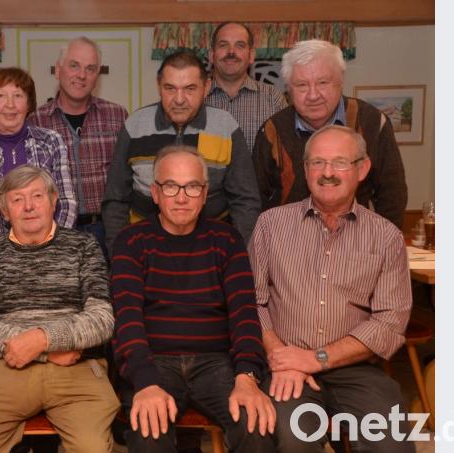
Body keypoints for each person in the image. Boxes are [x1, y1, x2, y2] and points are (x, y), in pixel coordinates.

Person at [249, 125, 414, 452]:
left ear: (362, 169)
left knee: (391, 443)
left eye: (340, 163)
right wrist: (282, 357)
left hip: (356, 370)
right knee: (293, 439)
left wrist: (316, 358)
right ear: (305, 169)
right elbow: (252, 303)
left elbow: (389, 323)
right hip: (286, 367)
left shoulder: (386, 237)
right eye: (317, 163)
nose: (327, 173)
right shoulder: (270, 225)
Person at [110, 145, 276, 453]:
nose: (182, 197)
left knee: (255, 426)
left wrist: (247, 375)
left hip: (217, 363)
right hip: (154, 361)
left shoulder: (227, 240)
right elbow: (127, 320)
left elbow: (244, 314)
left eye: (192, 187)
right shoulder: (131, 241)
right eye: (171, 186)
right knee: (148, 435)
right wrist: (145, 382)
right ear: (155, 193)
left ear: (205, 193)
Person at [0, 165, 119, 452]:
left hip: (76, 370)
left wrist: (43, 338)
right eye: (17, 199)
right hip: (4, 369)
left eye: (37, 196)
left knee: (92, 447)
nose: (29, 206)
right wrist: (44, 350)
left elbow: (101, 318)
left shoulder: (83, 246)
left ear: (54, 201)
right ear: (4, 211)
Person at [102, 50, 260, 256]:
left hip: (211, 250)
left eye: (190, 89)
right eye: (170, 88)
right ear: (159, 86)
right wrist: (120, 254)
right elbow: (115, 200)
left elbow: (245, 201)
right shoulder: (135, 125)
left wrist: (237, 255)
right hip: (144, 250)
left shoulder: (225, 127)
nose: (179, 99)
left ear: (206, 87)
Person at [253, 39, 408, 228]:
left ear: (340, 82)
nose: (313, 95)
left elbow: (392, 193)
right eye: (302, 85)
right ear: (289, 89)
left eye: (322, 83)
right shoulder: (272, 130)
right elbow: (256, 198)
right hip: (291, 239)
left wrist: (384, 240)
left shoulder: (373, 122)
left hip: (357, 239)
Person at [30, 36, 128, 259]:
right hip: (55, 231)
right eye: (74, 65)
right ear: (58, 70)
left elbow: (126, 179)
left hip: (106, 231)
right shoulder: (36, 121)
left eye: (90, 69)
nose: (82, 75)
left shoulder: (117, 116)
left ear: (97, 76)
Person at [0, 67, 77, 251]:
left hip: (51, 254)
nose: (10, 105)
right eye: (0, 96)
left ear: (29, 104)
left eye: (18, 95)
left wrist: (49, 247)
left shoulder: (51, 142)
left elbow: (67, 203)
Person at [206, 22, 287, 153]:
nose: (231, 52)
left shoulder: (273, 99)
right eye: (223, 45)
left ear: (251, 55)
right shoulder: (197, 98)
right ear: (211, 55)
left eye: (240, 45)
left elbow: (285, 153)